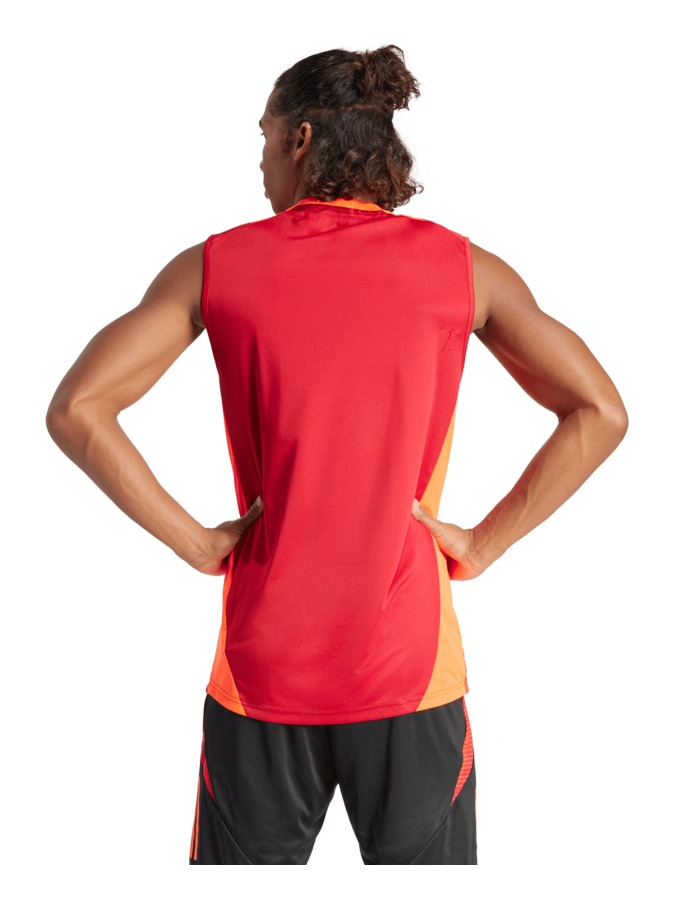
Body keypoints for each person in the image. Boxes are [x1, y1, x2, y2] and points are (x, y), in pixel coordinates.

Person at [45, 44, 629, 866]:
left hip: (263, 674)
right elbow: (599, 411)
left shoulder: (217, 266)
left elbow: (78, 408)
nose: (258, 160)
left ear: (301, 138)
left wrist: (199, 544)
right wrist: (479, 545)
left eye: (263, 136)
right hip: (408, 669)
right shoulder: (462, 268)